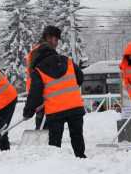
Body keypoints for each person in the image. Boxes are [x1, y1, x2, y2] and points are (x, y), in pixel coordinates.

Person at [23, 26, 86, 158]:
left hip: (55, 109)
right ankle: (81, 160)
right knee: (77, 136)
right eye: (55, 39)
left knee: (55, 141)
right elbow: (80, 77)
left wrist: (28, 112)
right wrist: (68, 90)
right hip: (75, 106)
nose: (56, 43)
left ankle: (55, 164)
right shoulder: (66, 61)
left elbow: (35, 92)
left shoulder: (39, 69)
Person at [25, 26, 62, 130]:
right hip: (40, 93)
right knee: (42, 123)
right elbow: (37, 75)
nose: (57, 43)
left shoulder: (45, 51)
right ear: (48, 38)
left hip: (44, 93)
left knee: (47, 122)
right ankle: (43, 142)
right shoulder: (39, 52)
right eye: (55, 39)